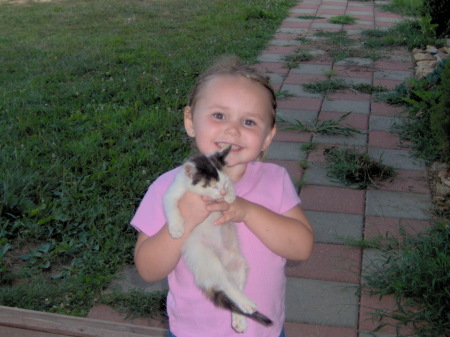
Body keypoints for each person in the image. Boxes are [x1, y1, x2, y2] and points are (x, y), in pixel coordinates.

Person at [131, 55, 314, 337]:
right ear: (190, 121)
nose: (233, 129)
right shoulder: (167, 188)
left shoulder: (275, 180)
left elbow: (301, 247)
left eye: (250, 121)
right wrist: (185, 221)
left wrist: (248, 211)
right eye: (219, 115)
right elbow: (147, 269)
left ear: (267, 137)